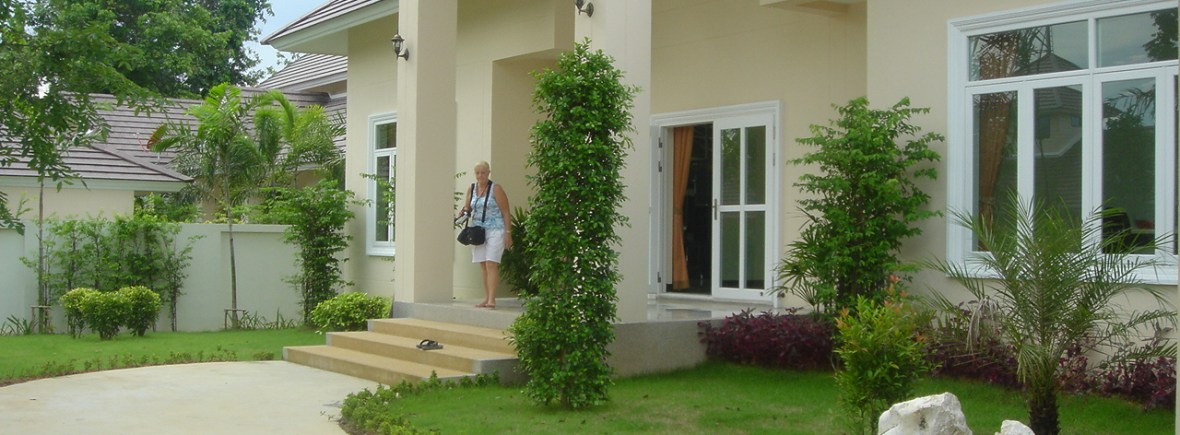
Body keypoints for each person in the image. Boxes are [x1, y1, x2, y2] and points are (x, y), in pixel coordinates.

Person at [458, 160, 512, 309]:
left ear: (488, 173)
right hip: (478, 230)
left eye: (483, 172)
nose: (480, 175)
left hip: (496, 229)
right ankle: (487, 297)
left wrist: (508, 232)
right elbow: (468, 207)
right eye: (477, 173)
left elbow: (506, 211)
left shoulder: (496, 189)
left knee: (491, 263)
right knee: (483, 264)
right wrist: (463, 213)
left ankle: (492, 299)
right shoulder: (472, 188)